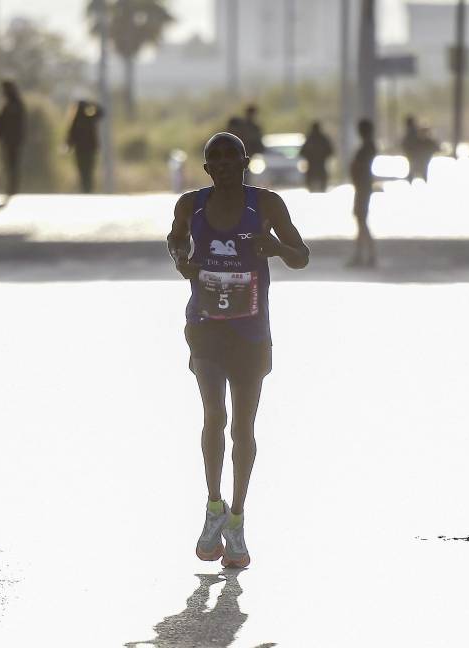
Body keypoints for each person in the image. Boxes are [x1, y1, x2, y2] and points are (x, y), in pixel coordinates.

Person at [166, 132, 309, 568]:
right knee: (214, 414)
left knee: (242, 430)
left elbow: (302, 255)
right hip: (206, 326)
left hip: (250, 331)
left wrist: (276, 248)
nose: (225, 165)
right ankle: (213, 507)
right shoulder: (190, 205)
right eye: (216, 160)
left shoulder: (266, 205)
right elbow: (174, 240)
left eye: (233, 158)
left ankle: (238, 519)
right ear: (207, 168)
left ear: (245, 163)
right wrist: (181, 259)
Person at [0, 80, 26, 200]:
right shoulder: (11, 104)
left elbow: (10, 121)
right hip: (9, 139)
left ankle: (12, 188)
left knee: (12, 164)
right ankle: (10, 188)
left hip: (13, 140)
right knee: (9, 164)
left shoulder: (15, 104)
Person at [349, 118, 377, 268]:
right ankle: (361, 254)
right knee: (360, 220)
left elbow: (360, 166)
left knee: (362, 220)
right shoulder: (367, 146)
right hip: (362, 187)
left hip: (363, 187)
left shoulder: (367, 147)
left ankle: (368, 254)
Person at [66, 100, 104, 193]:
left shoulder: (85, 119)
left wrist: (69, 146)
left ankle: (86, 188)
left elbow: (101, 112)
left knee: (84, 170)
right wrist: (92, 104)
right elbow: (101, 112)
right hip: (87, 150)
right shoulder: (88, 119)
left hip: (83, 150)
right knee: (87, 170)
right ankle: (87, 189)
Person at [401, 114, 439, 183]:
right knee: (420, 172)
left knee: (417, 172)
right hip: (419, 157)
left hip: (419, 157)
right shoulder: (412, 134)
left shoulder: (412, 134)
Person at [299, 121, 335, 192]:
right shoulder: (314, 139)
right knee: (313, 186)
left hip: (318, 165)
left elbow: (330, 151)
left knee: (321, 186)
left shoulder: (315, 139)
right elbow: (302, 152)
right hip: (314, 166)